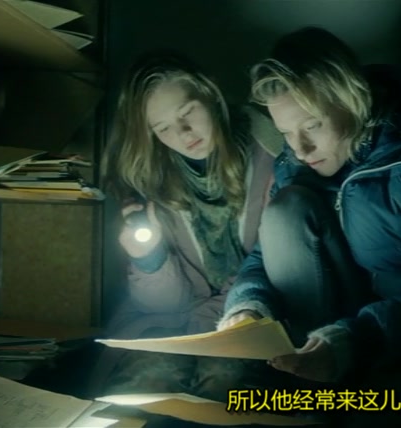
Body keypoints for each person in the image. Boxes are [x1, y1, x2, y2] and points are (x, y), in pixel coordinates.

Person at [218, 27, 401, 427]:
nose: (299, 149)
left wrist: (355, 339)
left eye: (312, 126)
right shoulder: (293, 165)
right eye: (286, 133)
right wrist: (247, 307)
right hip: (316, 344)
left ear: (352, 97)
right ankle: (309, 388)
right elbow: (263, 257)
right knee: (283, 210)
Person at [88, 52, 287, 403]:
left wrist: (225, 319)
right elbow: (163, 305)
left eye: (187, 113)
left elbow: (276, 270)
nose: (183, 134)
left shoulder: (274, 157)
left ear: (210, 95)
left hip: (252, 316)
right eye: (163, 128)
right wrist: (149, 259)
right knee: (140, 386)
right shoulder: (152, 181)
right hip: (173, 323)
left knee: (223, 382)